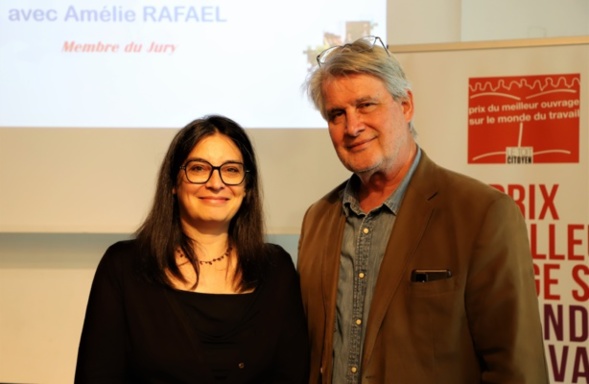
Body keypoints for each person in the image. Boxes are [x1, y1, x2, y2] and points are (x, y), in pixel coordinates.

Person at [297, 36, 549, 383]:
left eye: (366, 105)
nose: (352, 127)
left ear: (405, 105)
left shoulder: (483, 214)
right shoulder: (318, 219)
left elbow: (517, 371)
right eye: (336, 114)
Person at [75, 115, 309, 383]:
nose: (216, 182)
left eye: (231, 170)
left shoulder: (275, 268)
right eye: (199, 168)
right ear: (174, 183)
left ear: (247, 188)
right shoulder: (125, 266)